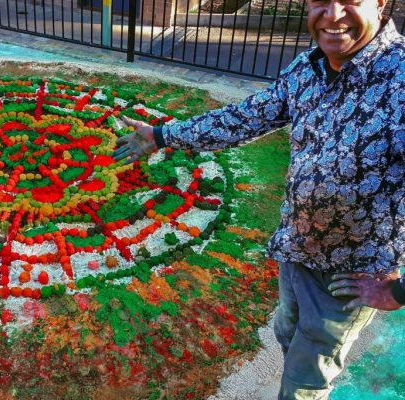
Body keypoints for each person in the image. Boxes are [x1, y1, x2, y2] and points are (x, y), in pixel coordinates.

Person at [113, 0, 404, 398]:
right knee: (287, 333)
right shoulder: (309, 68)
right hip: (296, 249)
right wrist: (161, 136)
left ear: (381, 3)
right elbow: (245, 117)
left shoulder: (400, 80)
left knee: (305, 380)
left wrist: (400, 289)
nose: (333, 15)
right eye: (321, 0)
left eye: (351, 0)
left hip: (352, 277)